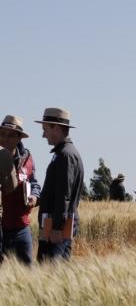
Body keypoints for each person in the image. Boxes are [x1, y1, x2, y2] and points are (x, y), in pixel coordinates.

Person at [36, 107, 84, 261]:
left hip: (55, 228)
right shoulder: (66, 152)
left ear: (55, 128)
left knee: (48, 273)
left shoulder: (65, 155)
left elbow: (64, 194)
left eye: (45, 129)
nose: (43, 135)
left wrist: (57, 227)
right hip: (55, 224)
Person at [0, 115, 40, 264]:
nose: (5, 138)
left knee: (28, 271)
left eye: (10, 135)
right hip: (1, 227)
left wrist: (35, 197)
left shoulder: (27, 158)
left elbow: (34, 183)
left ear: (19, 139)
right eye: (2, 134)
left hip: (21, 228)